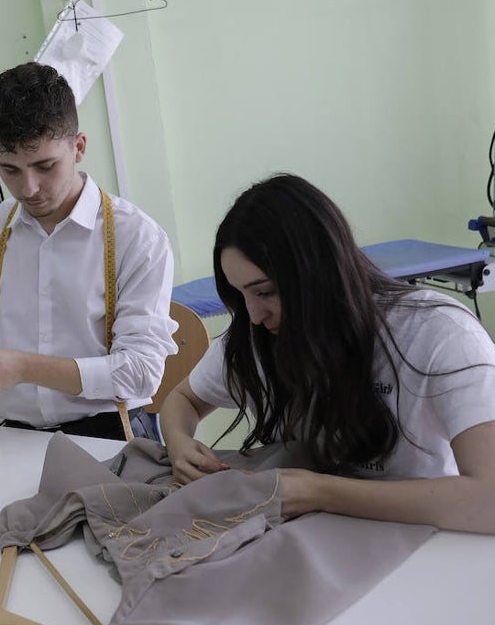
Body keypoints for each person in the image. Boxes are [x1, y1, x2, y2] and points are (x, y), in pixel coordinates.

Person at [161, 173, 495, 533]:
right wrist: (180, 444)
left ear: (320, 274)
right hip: (313, 534)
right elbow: (183, 400)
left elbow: (488, 500)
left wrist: (318, 492)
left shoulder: (440, 334)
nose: (254, 316)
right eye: (241, 295)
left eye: (267, 291)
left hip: (418, 539)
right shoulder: (256, 336)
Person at [0, 61, 176, 440]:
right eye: (10, 170)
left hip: (112, 434)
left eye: (45, 166)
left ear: (79, 147)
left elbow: (141, 371)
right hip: (16, 438)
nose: (29, 189)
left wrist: (25, 367)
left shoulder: (137, 237)